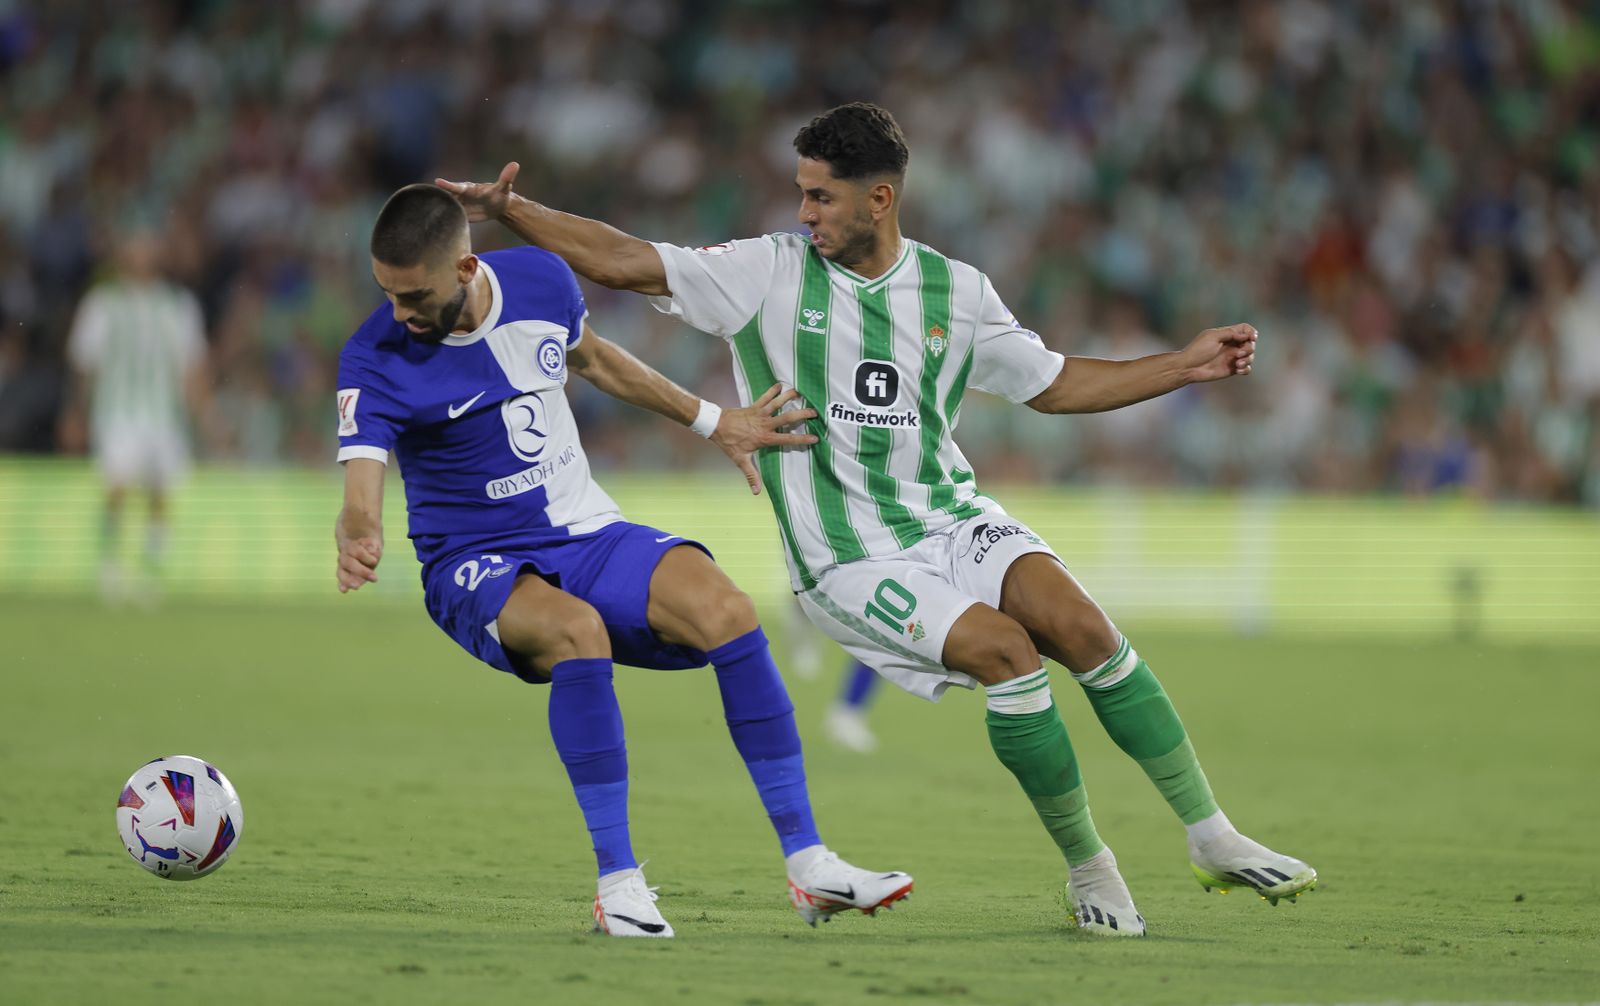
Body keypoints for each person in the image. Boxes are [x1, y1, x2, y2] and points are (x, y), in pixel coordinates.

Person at [439, 101, 1317, 936]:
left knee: (1083, 627)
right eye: (802, 193)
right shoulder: (769, 272)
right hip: (848, 558)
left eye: (821, 195)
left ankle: (1213, 836)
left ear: (879, 198)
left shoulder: (955, 290)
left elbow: (1053, 385)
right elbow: (628, 259)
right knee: (1009, 658)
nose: (805, 210)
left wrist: (1183, 367)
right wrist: (515, 213)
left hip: (951, 515)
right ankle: (1091, 866)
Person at [332, 183, 911, 938]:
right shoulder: (373, 355)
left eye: (414, 295)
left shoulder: (541, 281)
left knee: (728, 611)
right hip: (472, 562)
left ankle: (811, 867)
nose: (400, 313)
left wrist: (716, 423)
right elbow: (362, 480)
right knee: (579, 632)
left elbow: (598, 361)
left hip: (584, 529)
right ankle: (620, 883)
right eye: (388, 293)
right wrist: (359, 533)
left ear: (468, 267)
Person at [66, 230, 207, 603]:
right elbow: (85, 365)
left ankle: (150, 571)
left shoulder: (178, 304)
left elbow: (192, 365)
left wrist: (204, 413)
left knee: (160, 493)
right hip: (117, 413)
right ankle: (110, 566)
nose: (141, 255)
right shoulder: (102, 303)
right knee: (117, 487)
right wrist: (76, 412)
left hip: (165, 415)